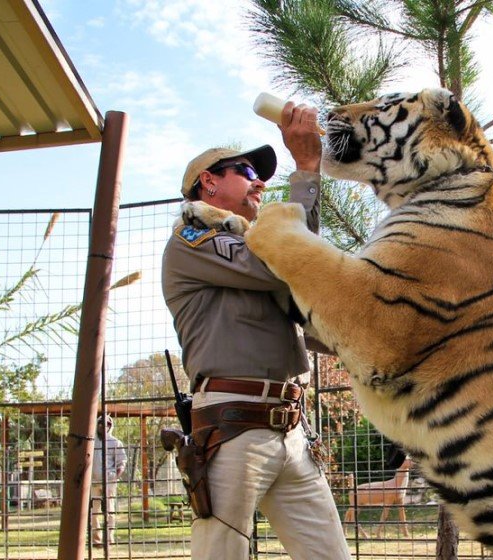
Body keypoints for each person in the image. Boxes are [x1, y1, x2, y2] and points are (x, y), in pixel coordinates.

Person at [161, 102, 350, 560]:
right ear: (208, 181)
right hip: (232, 425)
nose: (260, 181)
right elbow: (283, 260)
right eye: (246, 170)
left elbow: (302, 266)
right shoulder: (194, 238)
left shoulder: (249, 244)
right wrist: (305, 169)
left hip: (292, 430)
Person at [91, 414, 127, 547]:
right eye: (100, 423)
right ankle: (96, 540)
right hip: (93, 482)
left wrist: (116, 476)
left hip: (109, 481)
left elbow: (121, 462)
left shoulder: (115, 442)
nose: (102, 426)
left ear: (110, 426)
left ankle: (109, 539)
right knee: (93, 512)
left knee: (110, 511)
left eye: (106, 424)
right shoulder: (91, 441)